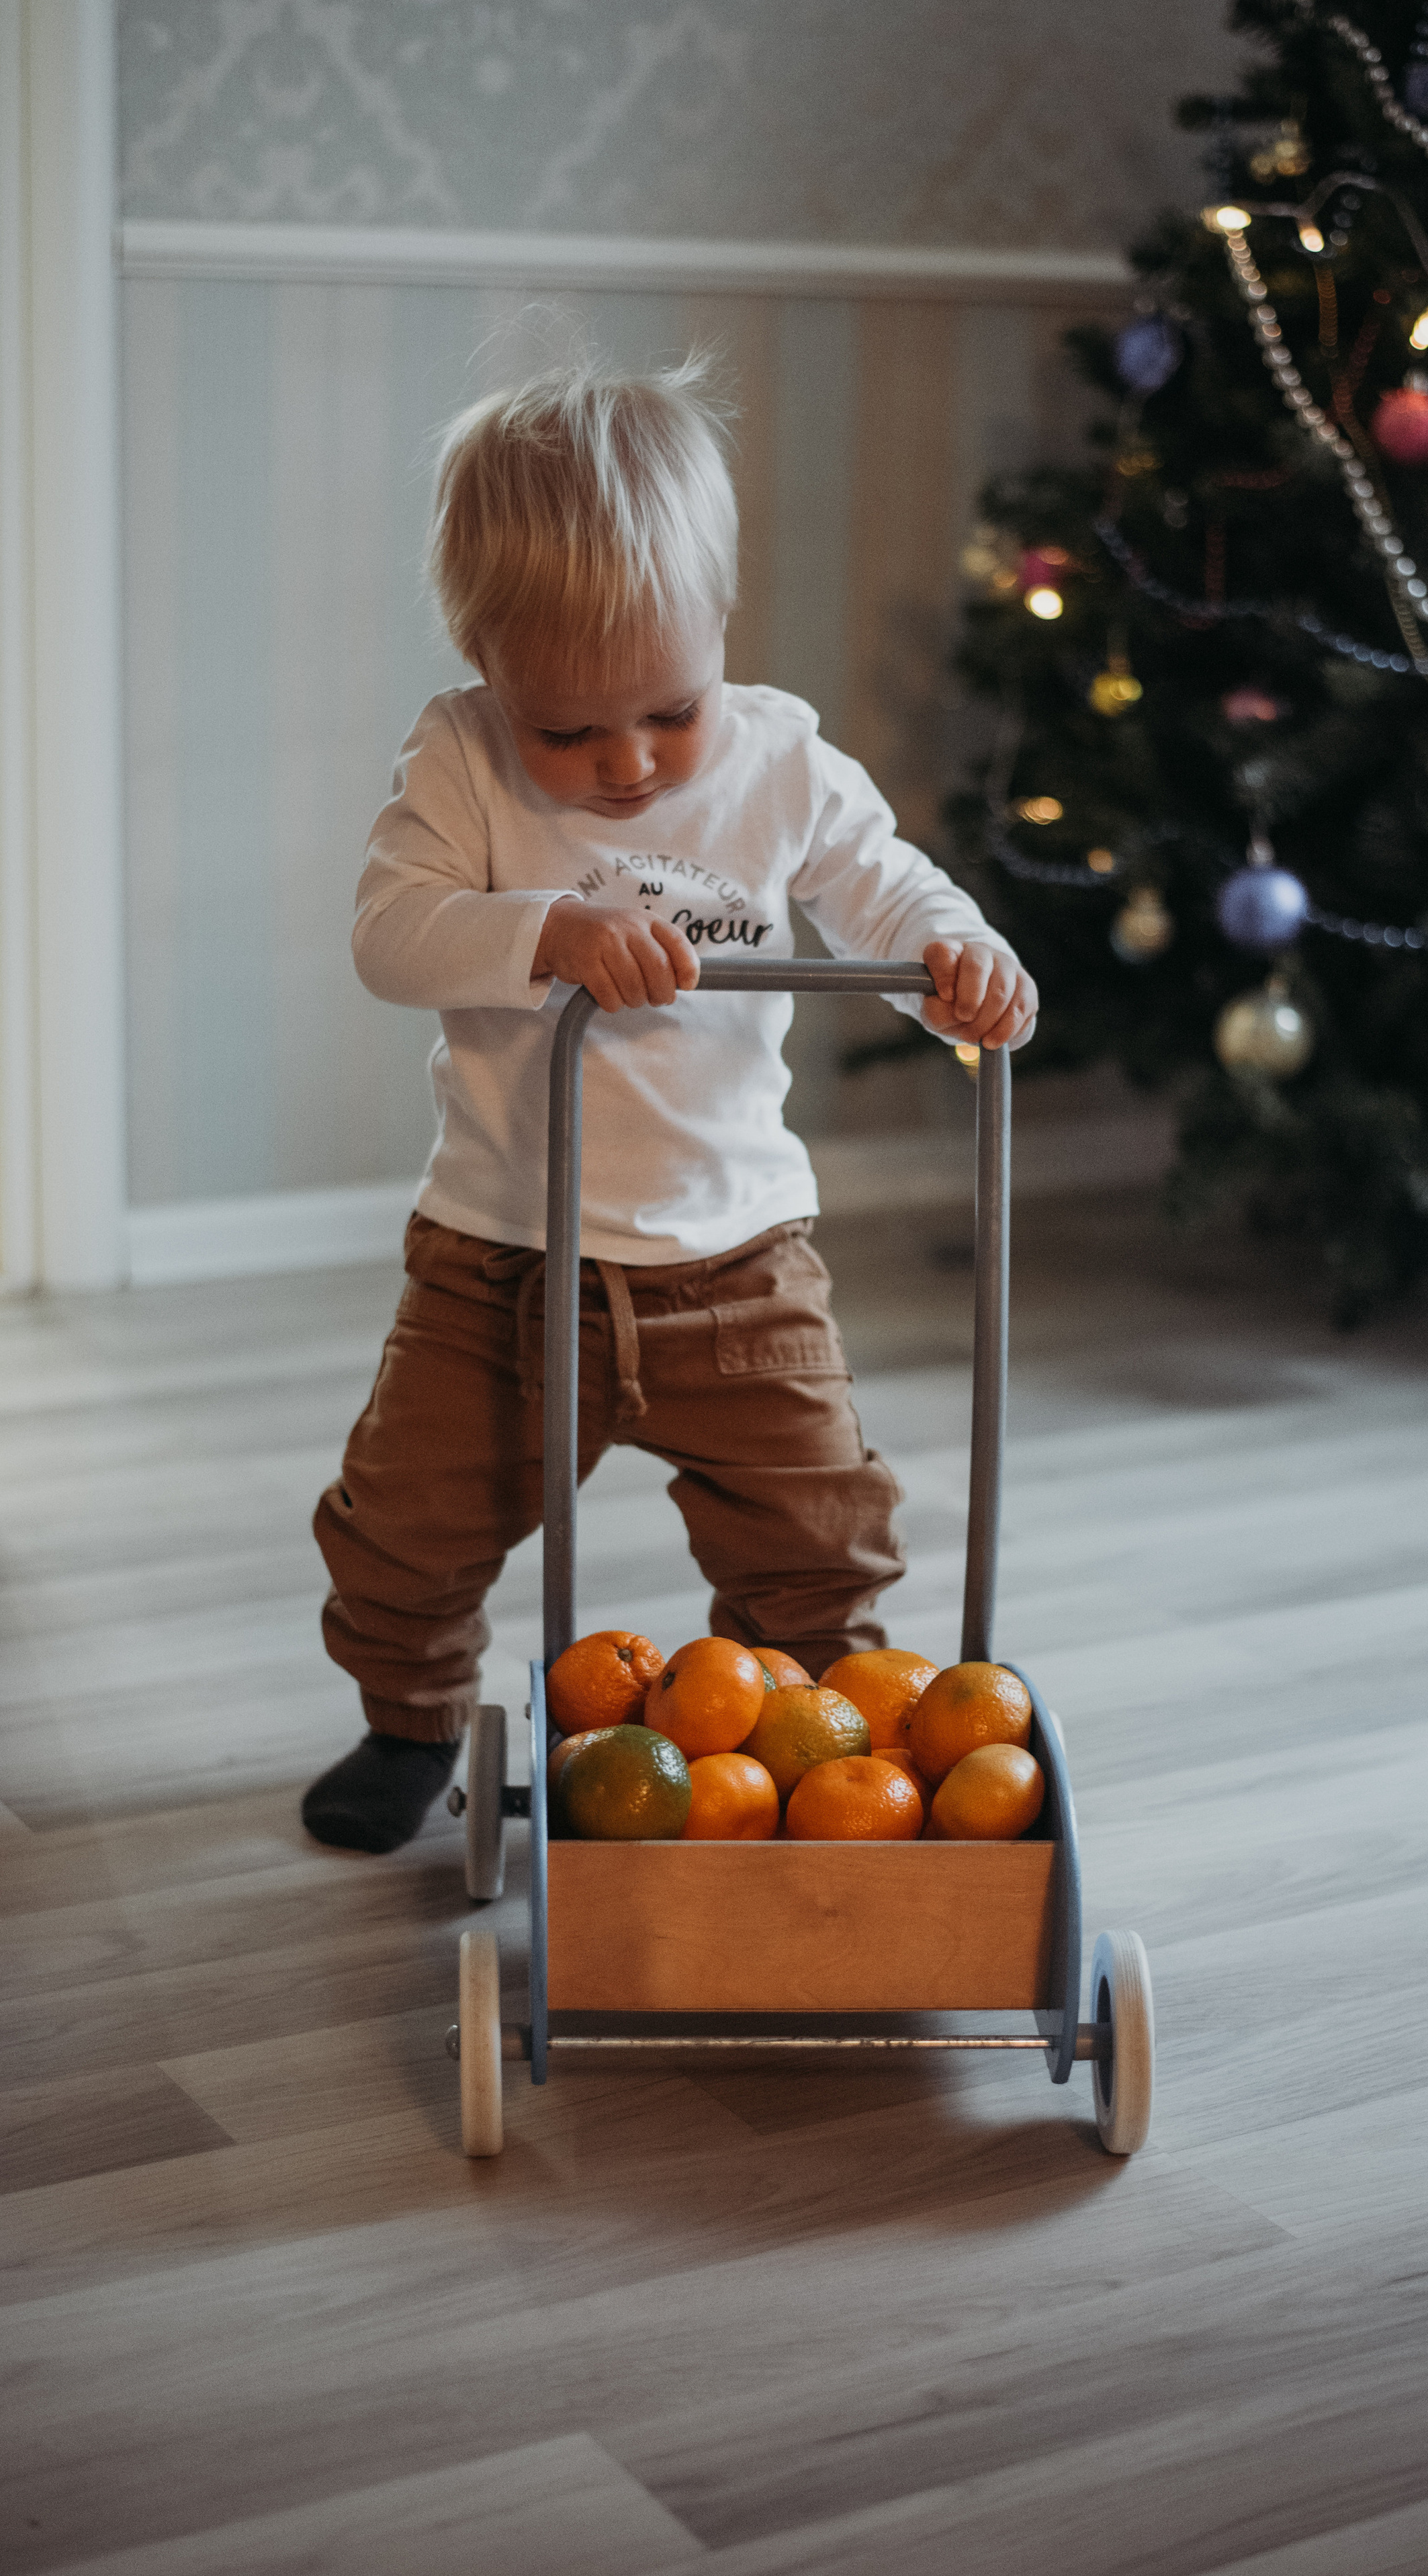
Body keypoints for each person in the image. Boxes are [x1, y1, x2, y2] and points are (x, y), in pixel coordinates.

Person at [302, 357, 1036, 1854]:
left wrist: (954, 959)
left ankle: (815, 1744)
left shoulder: (776, 759)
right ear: (483, 663)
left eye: (664, 712)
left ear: (720, 630)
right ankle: (408, 1716)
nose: (623, 764)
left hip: (737, 1260)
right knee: (406, 1520)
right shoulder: (458, 763)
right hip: (506, 1260)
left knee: (821, 1536)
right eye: (565, 731)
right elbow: (390, 934)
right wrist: (541, 935)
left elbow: (882, 886)